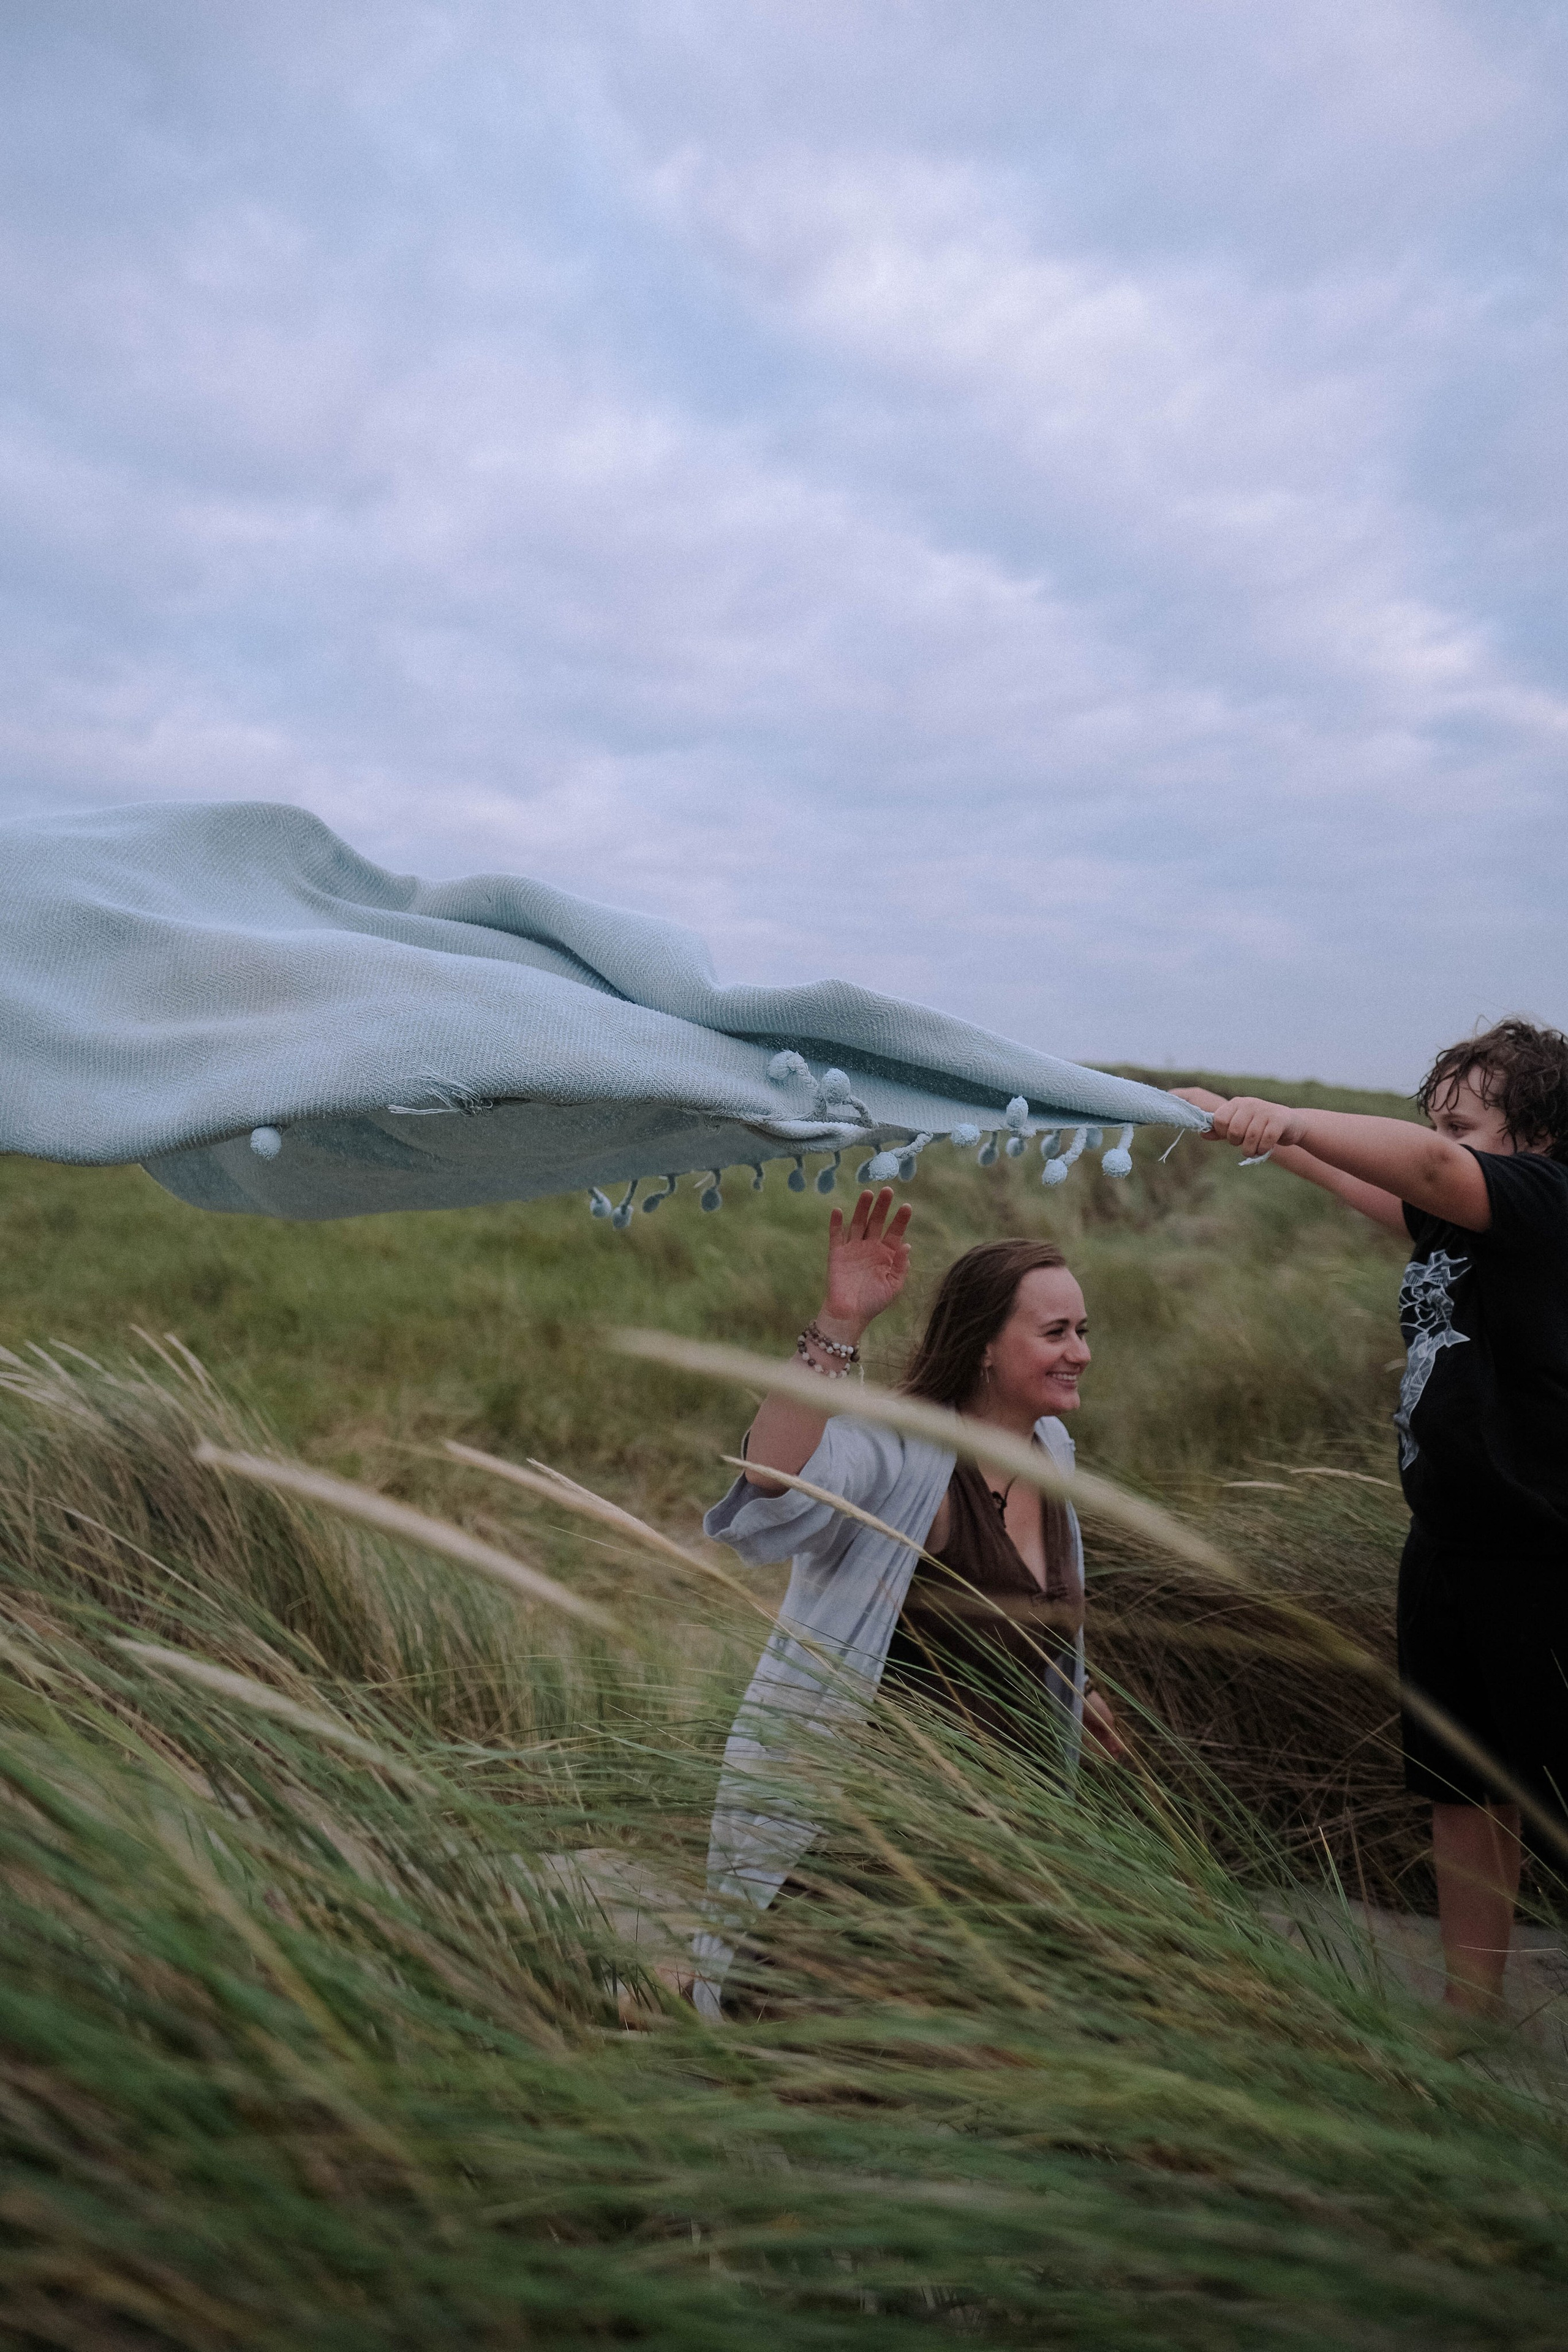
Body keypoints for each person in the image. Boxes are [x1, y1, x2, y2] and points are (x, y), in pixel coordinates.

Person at [1174, 1018, 1568, 2016]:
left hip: (1543, 1560)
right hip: (1444, 1546)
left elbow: (1431, 1172)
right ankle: (1468, 2019)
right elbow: (1382, 1191)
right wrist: (1247, 1126)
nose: (1444, 1138)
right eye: (1438, 1119)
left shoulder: (1550, 1202)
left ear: (1540, 1137)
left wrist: (1292, 1111)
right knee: (1461, 1791)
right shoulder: (1462, 1221)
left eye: (1468, 1122)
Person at [689, 1188, 1121, 2016]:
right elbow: (771, 1482)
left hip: (995, 1832)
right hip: (863, 1828)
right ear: (986, 1348)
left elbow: (1035, 1616)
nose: (1080, 1353)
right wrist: (840, 1324)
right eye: (1056, 1333)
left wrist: (1079, 1692)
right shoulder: (899, 1450)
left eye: (1084, 1331)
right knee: (792, 2034)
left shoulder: (1052, 1450)